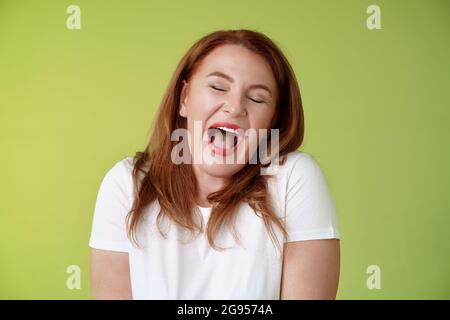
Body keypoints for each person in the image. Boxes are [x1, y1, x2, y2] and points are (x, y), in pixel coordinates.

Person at [89, 29, 340, 300]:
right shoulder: (127, 184)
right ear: (184, 99)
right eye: (218, 87)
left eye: (256, 98)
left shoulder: (293, 178)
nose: (234, 107)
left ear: (272, 123)